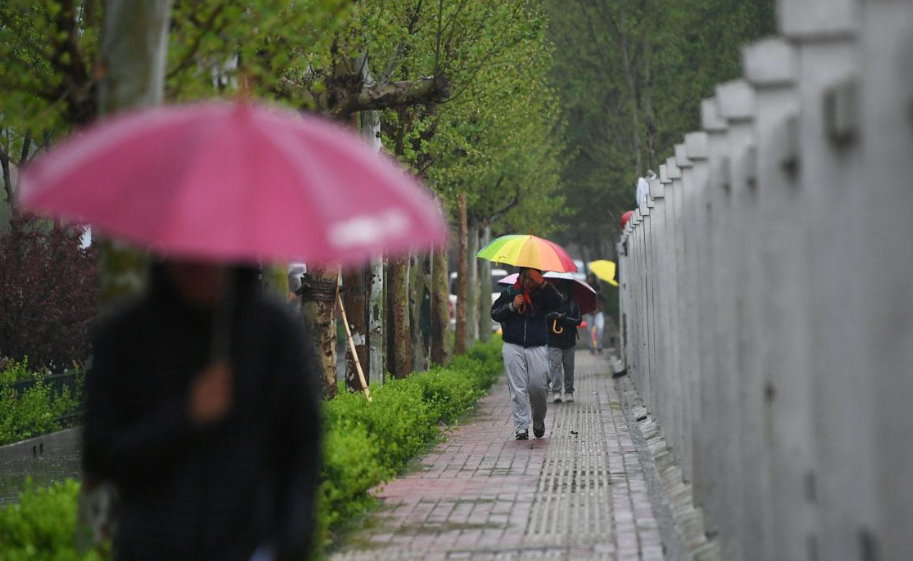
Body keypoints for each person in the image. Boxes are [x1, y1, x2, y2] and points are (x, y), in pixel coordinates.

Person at [83, 260, 322, 561]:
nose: (197, 263)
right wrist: (185, 417)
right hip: (152, 547)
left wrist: (290, 542)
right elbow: (101, 451)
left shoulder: (275, 334)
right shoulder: (126, 335)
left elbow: (301, 452)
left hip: (253, 547)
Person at [491, 267, 564, 440]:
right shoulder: (510, 292)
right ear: (521, 276)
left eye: (534, 277)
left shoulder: (544, 293)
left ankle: (538, 421)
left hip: (537, 346)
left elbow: (558, 302)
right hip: (512, 346)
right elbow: (494, 313)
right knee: (518, 389)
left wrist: (543, 284)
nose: (530, 281)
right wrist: (512, 306)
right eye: (527, 276)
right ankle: (521, 428)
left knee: (538, 387)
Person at [546, 280, 582, 403]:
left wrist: (565, 318)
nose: (563, 294)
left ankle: (569, 392)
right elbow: (544, 317)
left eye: (565, 292)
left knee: (569, 367)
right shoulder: (551, 303)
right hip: (554, 340)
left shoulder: (574, 304)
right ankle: (556, 392)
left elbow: (578, 320)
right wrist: (555, 315)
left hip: (569, 341)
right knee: (555, 366)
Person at [583, 273, 605, 354]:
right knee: (589, 330)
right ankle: (592, 346)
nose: (589, 280)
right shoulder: (585, 288)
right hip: (590, 313)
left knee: (600, 329)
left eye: (591, 278)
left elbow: (603, 299)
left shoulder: (599, 288)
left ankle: (599, 346)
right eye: (588, 278)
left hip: (598, 311)